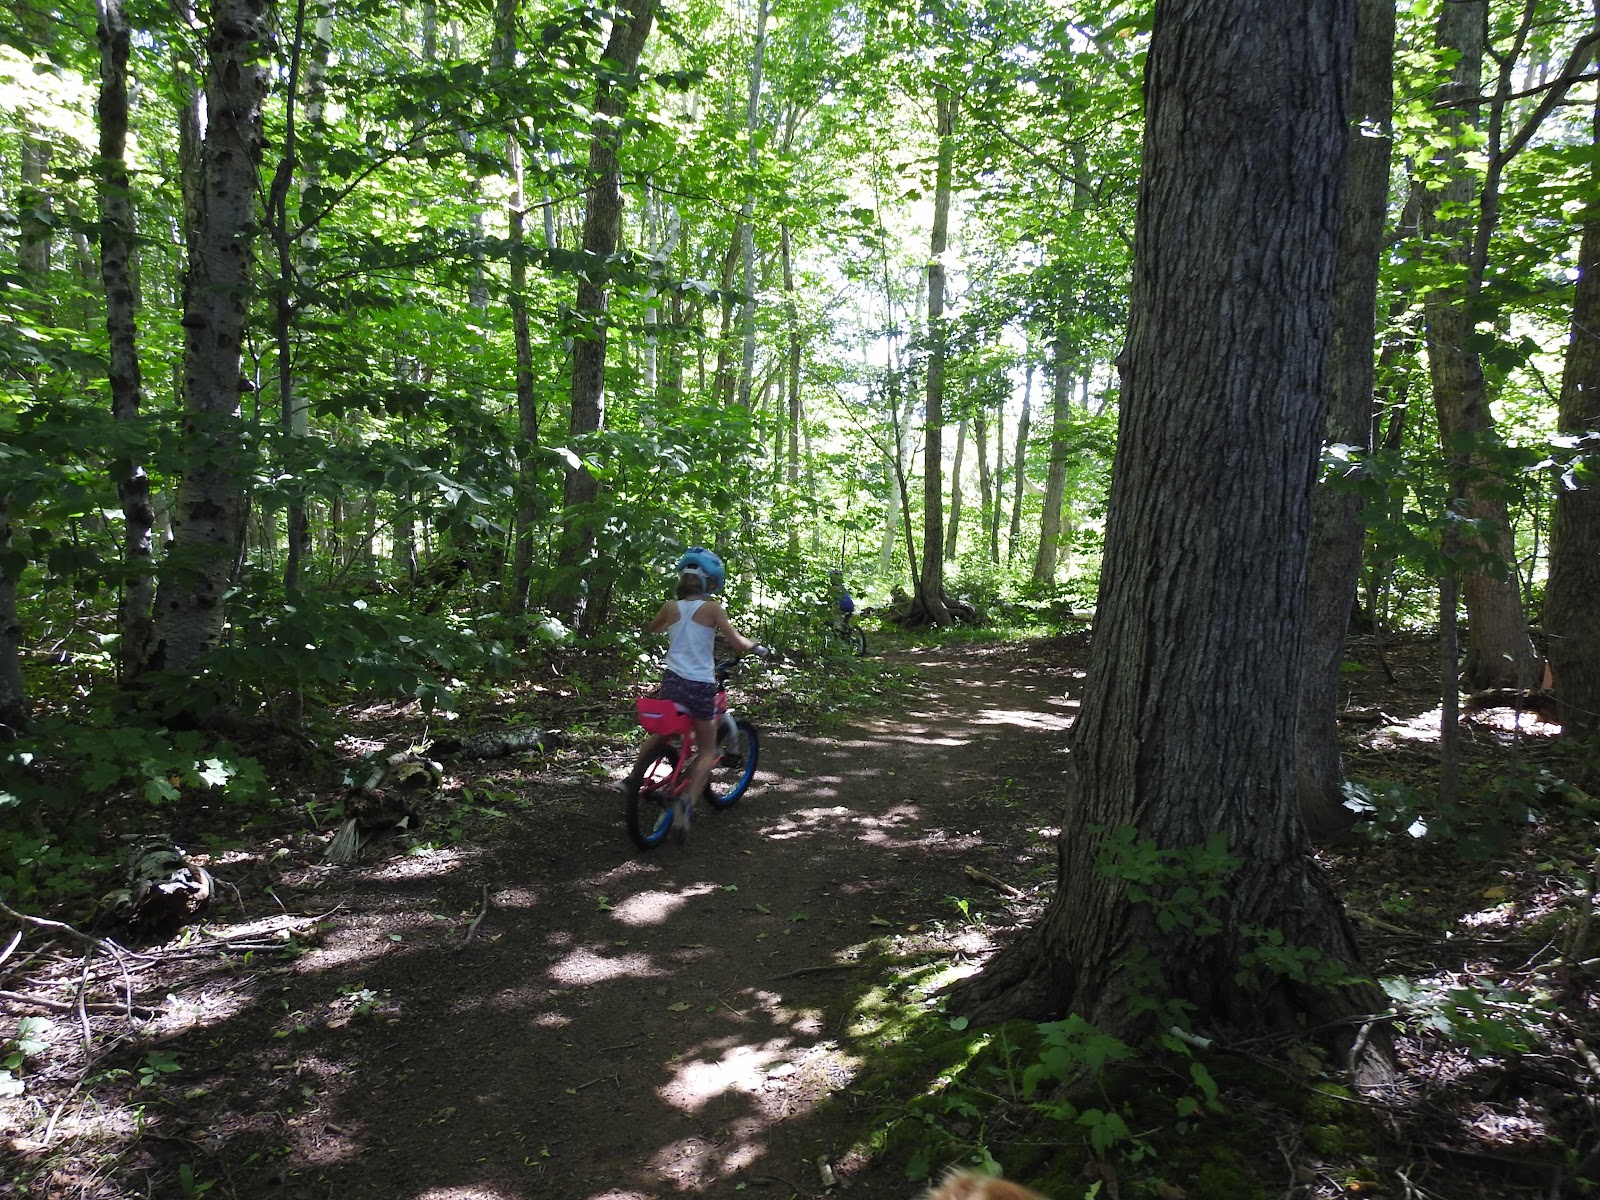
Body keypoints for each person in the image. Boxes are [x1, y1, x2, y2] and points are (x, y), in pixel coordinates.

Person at [630, 547, 767, 841]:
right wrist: (755, 645)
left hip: (672, 683)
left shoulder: (670, 606)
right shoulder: (713, 609)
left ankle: (633, 779)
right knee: (707, 751)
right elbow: (738, 642)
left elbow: (655, 628)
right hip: (700, 686)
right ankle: (686, 803)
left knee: (664, 733)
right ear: (710, 583)